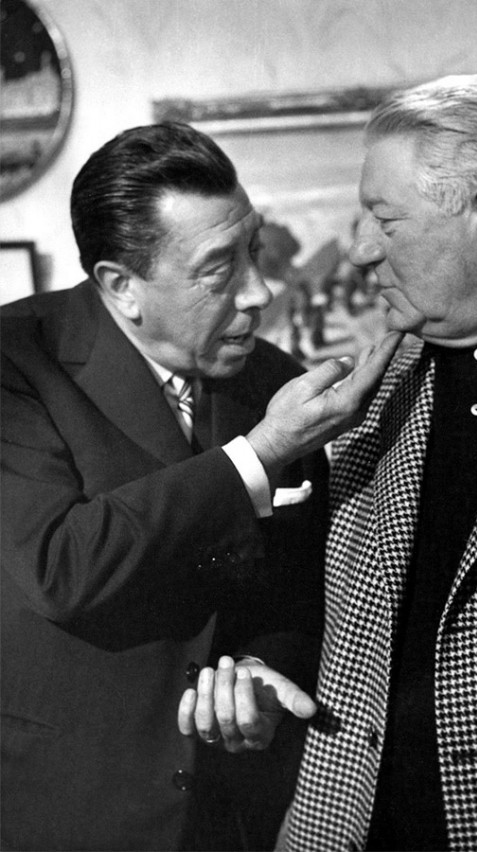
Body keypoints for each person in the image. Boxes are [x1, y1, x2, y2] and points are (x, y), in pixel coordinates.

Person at [184, 74, 477, 851]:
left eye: (384, 220)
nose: (361, 249)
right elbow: (320, 607)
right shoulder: (371, 382)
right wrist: (267, 667)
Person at [0, 122, 400, 852]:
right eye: (220, 270)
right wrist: (261, 453)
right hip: (63, 810)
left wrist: (262, 667)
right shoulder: (15, 360)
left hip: (231, 815)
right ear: (122, 287)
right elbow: (61, 566)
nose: (260, 291)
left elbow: (299, 592)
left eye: (254, 251)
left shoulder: (275, 380)